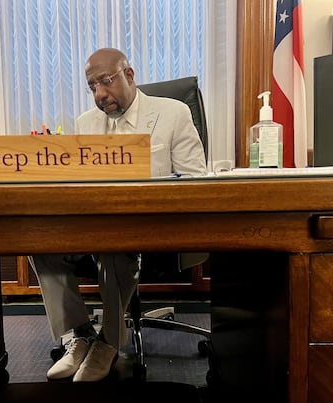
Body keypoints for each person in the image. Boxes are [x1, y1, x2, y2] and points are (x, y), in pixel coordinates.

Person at [30, 48, 206, 382]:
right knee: (41, 241)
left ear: (129, 75)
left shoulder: (172, 113)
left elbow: (194, 179)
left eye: (105, 82)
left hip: (155, 227)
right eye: (92, 86)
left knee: (113, 242)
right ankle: (80, 335)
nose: (99, 94)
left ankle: (108, 342)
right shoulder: (85, 123)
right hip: (97, 225)